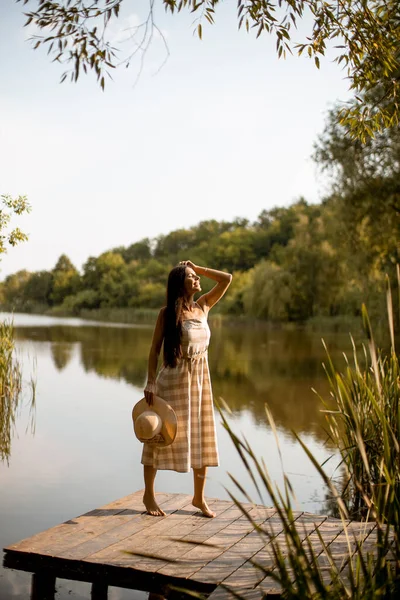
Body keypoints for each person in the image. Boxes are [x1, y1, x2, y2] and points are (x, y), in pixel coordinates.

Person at [142, 260, 232, 518]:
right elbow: (154, 350)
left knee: (202, 434)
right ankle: (149, 494)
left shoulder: (203, 306)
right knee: (158, 435)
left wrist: (200, 268)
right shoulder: (167, 314)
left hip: (200, 379)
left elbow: (226, 278)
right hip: (173, 379)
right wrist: (150, 381)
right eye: (190, 277)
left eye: (196, 277)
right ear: (179, 284)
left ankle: (198, 498)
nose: (196, 280)